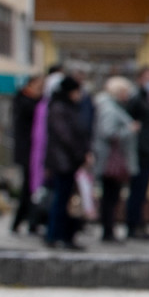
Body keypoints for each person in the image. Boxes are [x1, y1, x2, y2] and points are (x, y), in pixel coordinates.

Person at [43, 76, 91, 251]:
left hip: (70, 161)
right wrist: (80, 153)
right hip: (63, 161)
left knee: (67, 200)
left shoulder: (69, 108)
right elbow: (66, 136)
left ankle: (64, 235)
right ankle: (55, 235)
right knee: (61, 200)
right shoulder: (60, 108)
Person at [91, 76, 139, 243]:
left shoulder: (111, 106)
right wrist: (129, 130)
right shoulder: (109, 109)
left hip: (110, 160)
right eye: (126, 92)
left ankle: (109, 229)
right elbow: (108, 132)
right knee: (110, 197)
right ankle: (108, 230)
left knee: (111, 196)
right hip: (109, 161)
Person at [125, 66, 149, 241]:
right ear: (140, 79)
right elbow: (129, 124)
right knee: (137, 191)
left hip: (148, 153)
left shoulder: (148, 100)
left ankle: (139, 224)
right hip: (140, 153)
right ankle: (133, 226)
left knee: (142, 192)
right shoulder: (137, 100)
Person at [9, 72, 46, 234]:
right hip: (28, 152)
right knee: (28, 188)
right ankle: (25, 221)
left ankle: (29, 221)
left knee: (31, 188)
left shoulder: (32, 101)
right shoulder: (25, 102)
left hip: (33, 151)